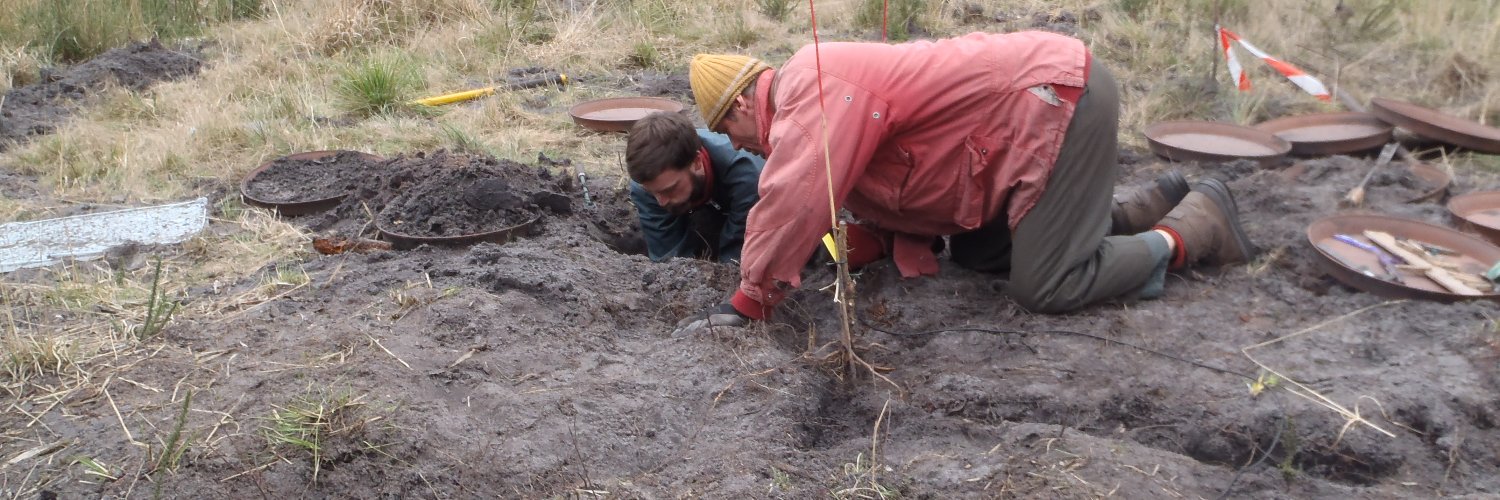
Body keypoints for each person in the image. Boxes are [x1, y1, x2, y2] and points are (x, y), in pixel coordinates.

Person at [672, 31, 1256, 335]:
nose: (736, 146)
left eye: (727, 129)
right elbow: (893, 181)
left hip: (1055, 101)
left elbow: (795, 199)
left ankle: (1192, 230)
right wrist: (868, 242)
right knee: (979, 254)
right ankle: (1142, 207)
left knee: (1048, 285)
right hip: (1019, 132)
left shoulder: (813, 87)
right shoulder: (818, 93)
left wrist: (751, 300)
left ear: (744, 102)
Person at [626, 111, 766, 263]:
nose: (661, 202)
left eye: (670, 190)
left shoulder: (747, 175)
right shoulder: (646, 185)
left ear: (697, 161)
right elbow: (668, 261)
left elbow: (737, 256)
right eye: (653, 192)